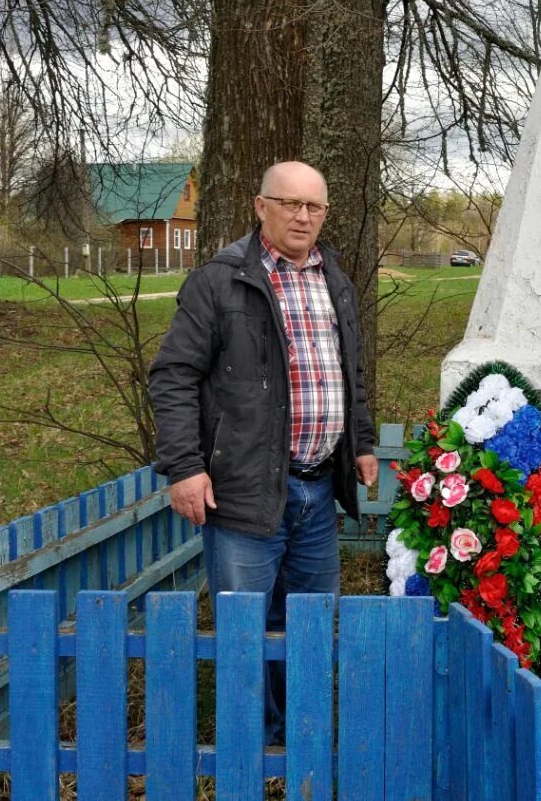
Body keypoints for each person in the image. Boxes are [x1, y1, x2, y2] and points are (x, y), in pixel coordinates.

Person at [150, 160, 378, 743]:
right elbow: (173, 377)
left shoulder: (336, 281)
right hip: (244, 491)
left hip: (318, 489)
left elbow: (350, 373)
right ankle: (250, 744)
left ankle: (300, 733)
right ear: (261, 206)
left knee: (309, 623)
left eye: (314, 206)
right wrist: (184, 467)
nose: (303, 217)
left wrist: (360, 442)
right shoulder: (219, 281)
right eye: (289, 204)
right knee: (246, 628)